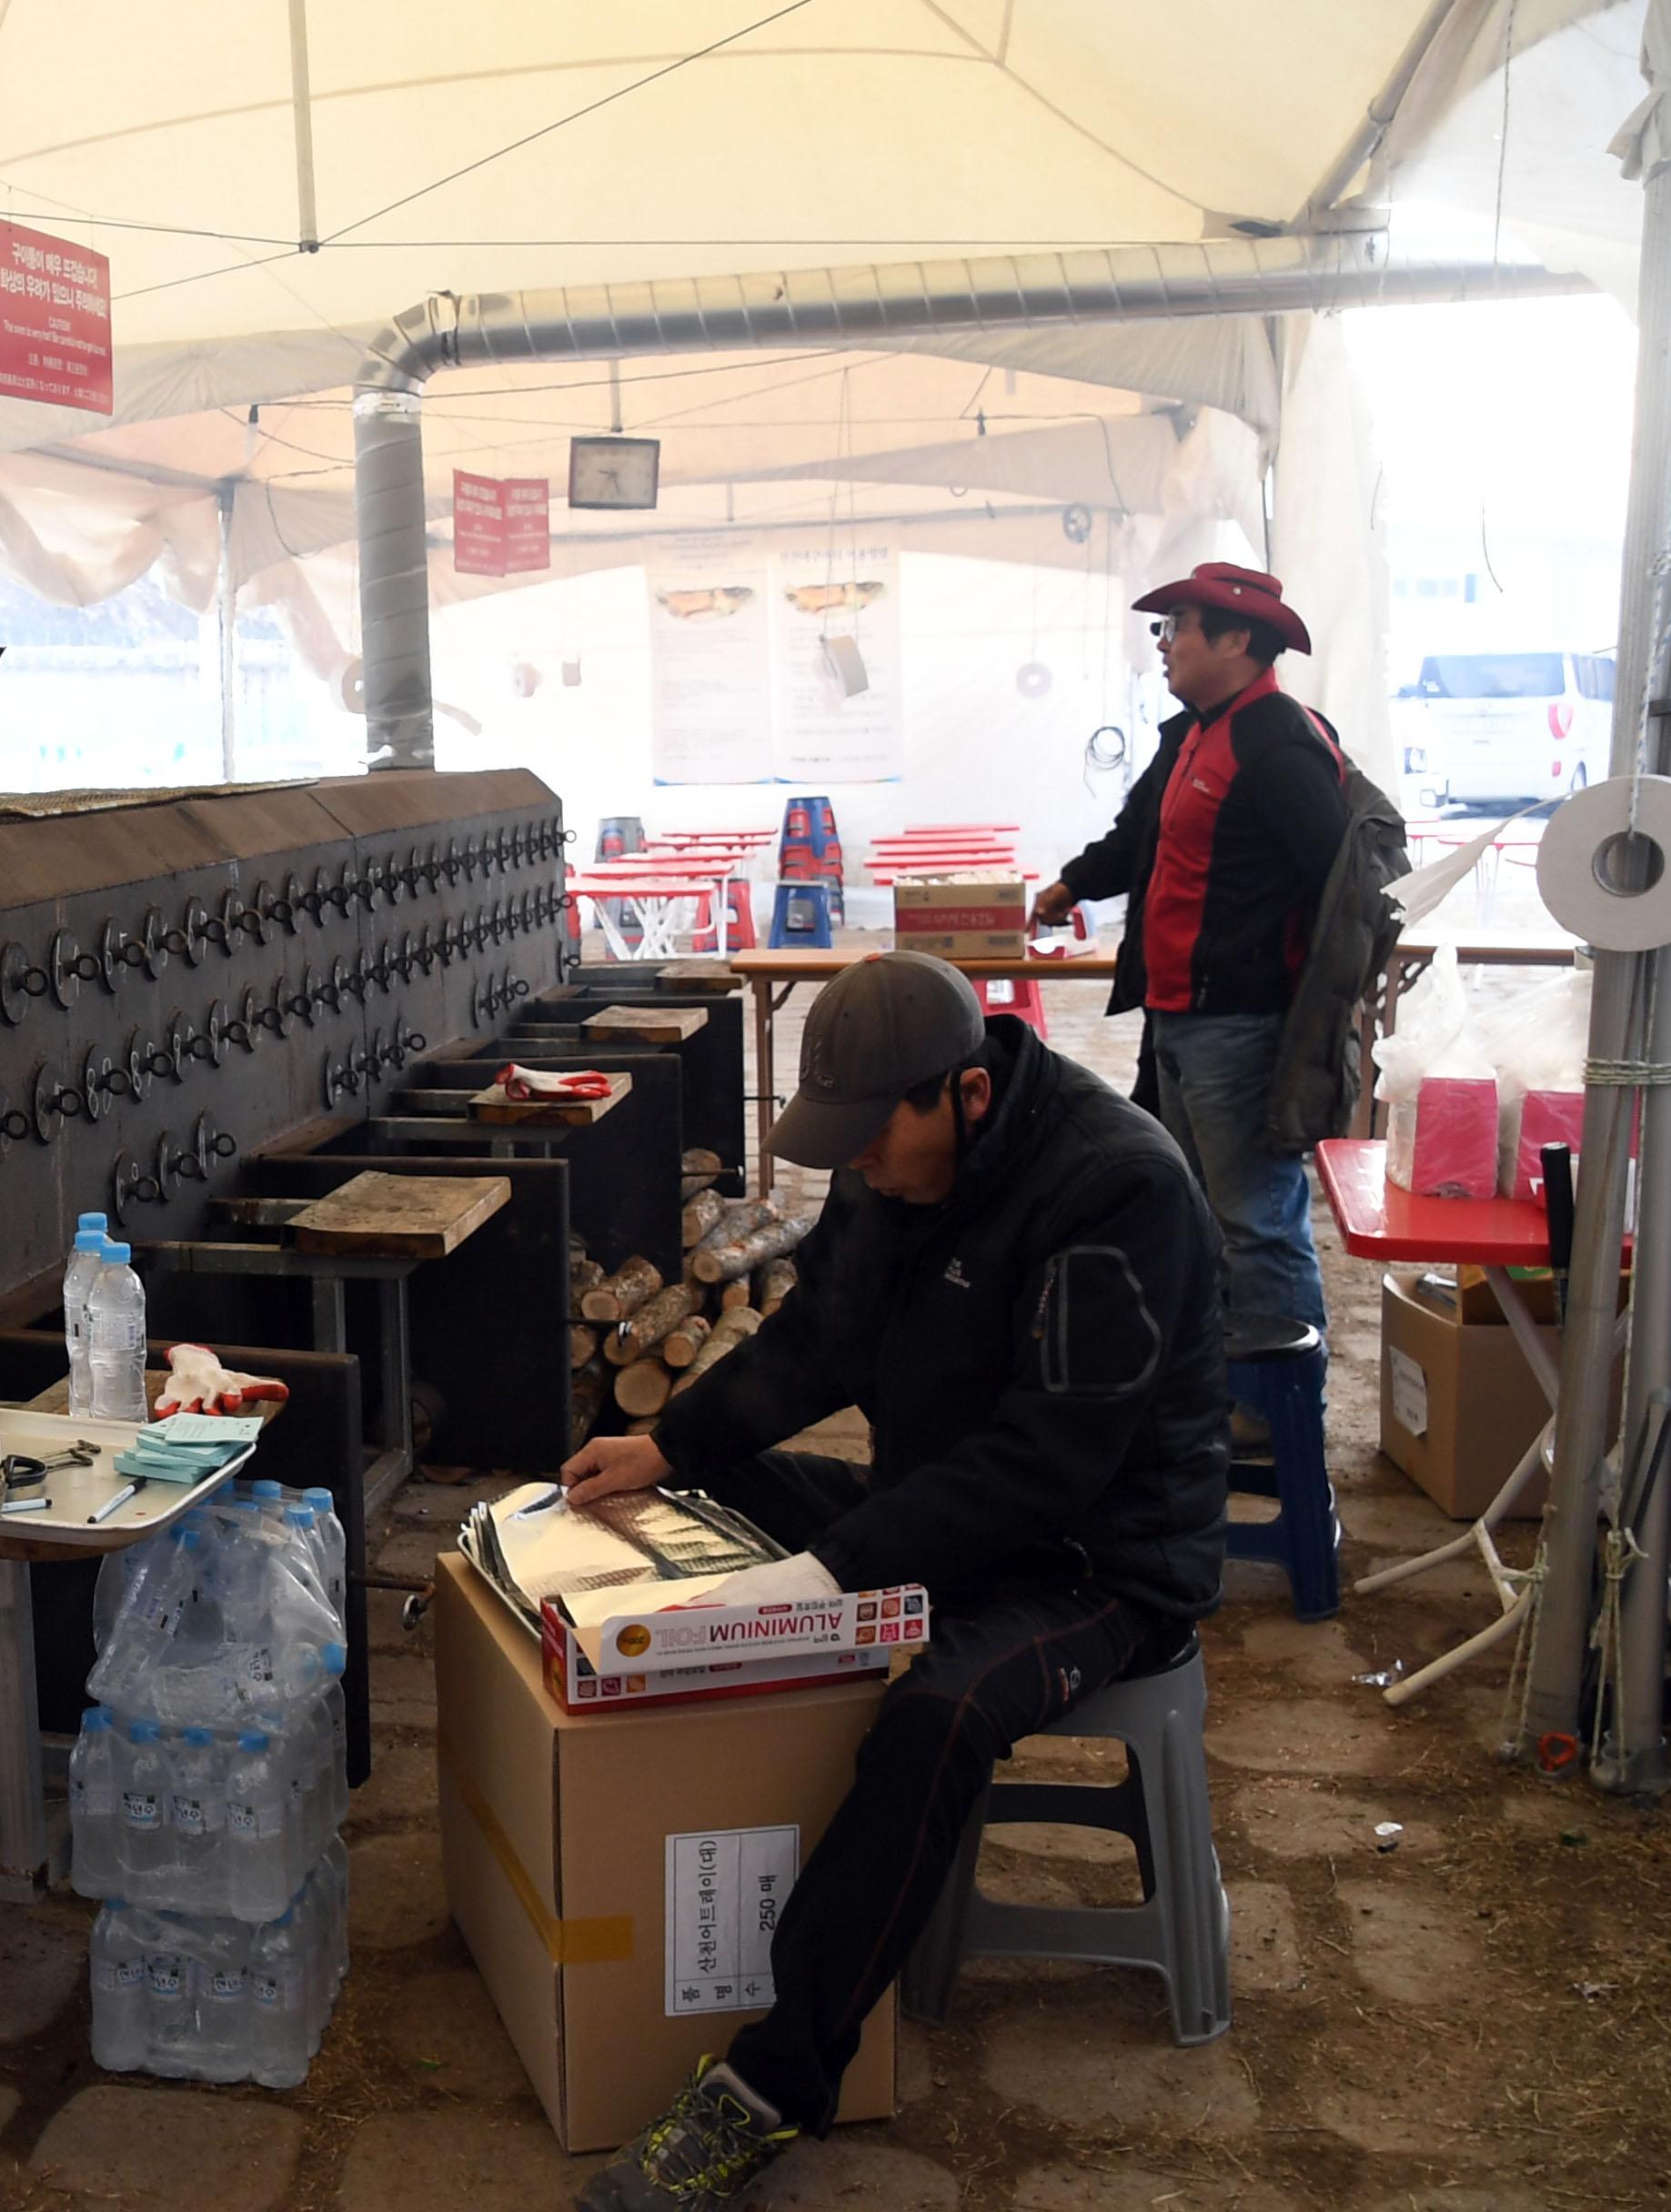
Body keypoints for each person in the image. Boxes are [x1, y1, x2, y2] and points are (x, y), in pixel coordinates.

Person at [562, 953, 1227, 2212]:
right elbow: (818, 1339)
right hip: (941, 1508)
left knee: (935, 1720)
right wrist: (668, 1444)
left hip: (1097, 1561)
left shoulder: (1118, 1191)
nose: (859, 1162)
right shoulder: (892, 1166)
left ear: (967, 1095)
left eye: (876, 1138)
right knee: (704, 1489)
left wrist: (833, 1572)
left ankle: (767, 2089)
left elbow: (1046, 1466)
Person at [1033, 562, 1344, 1339]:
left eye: (1176, 628)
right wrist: (1070, 887)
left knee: (1258, 1221)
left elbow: (1338, 881)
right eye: (1162, 629)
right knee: (1198, 1208)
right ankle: (1222, 1383)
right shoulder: (1192, 735)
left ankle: (1279, 1413)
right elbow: (1140, 835)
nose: (1164, 645)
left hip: (1240, 1023)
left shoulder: (1280, 742)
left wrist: (1299, 1006)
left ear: (1237, 639)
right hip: (1176, 1014)